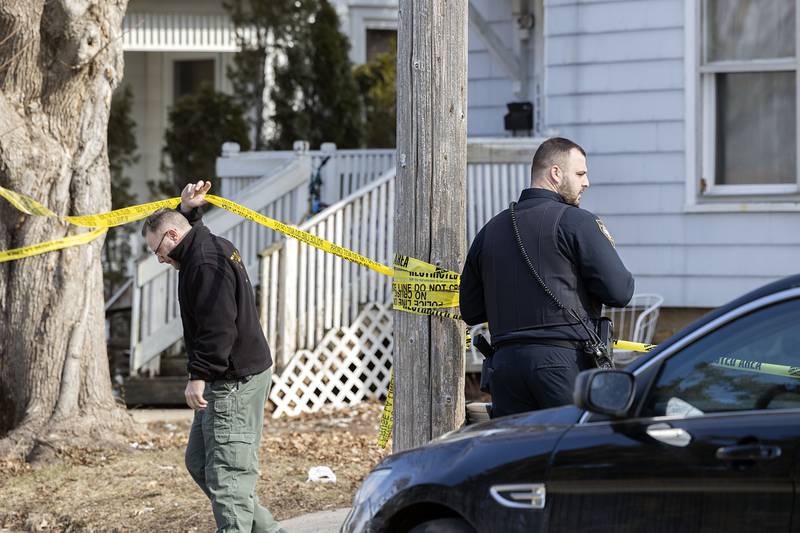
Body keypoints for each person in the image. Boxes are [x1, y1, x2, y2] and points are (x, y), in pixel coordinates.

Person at [141, 181, 284, 533]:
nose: (159, 259)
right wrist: (189, 208)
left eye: (158, 250)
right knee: (201, 462)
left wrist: (197, 376)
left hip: (233, 380)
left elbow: (219, 328)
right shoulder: (204, 245)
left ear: (173, 236)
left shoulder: (203, 262)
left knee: (228, 478)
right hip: (233, 373)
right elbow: (193, 231)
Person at [460, 137, 634, 418]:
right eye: (580, 174)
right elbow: (621, 291)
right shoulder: (577, 222)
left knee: (519, 458)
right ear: (555, 173)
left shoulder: (489, 231)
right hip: (563, 363)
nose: (586, 182)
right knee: (571, 454)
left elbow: (471, 310)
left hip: (505, 368)